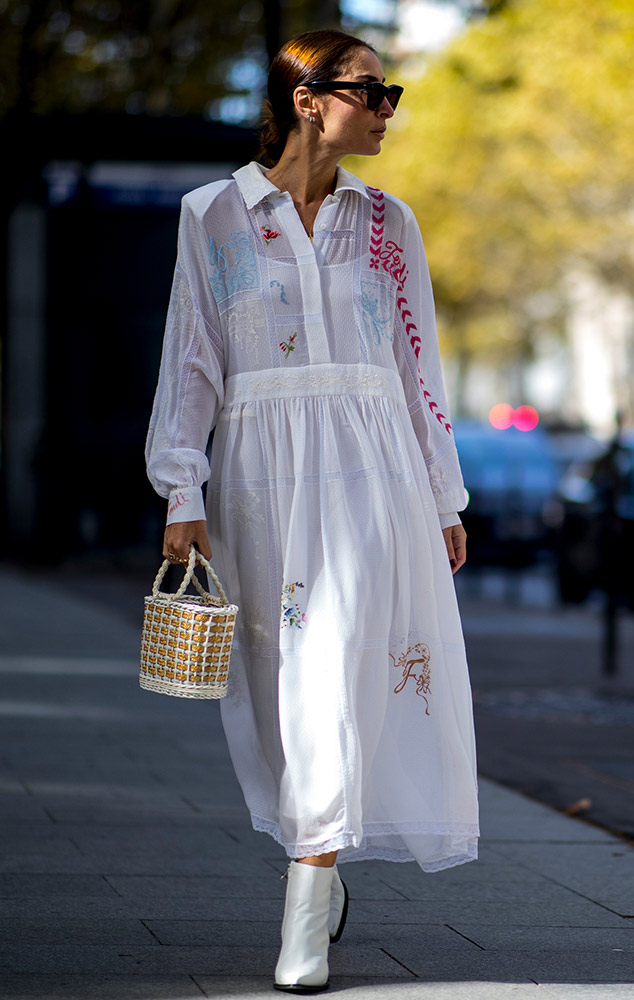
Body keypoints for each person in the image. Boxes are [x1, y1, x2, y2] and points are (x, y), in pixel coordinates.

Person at [146, 28, 478, 994]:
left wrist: (445, 491)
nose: (388, 108)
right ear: (308, 99)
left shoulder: (390, 222)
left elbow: (419, 369)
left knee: (336, 669)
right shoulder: (209, 214)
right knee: (286, 689)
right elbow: (192, 360)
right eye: (374, 91)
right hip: (261, 476)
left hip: (374, 473)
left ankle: (305, 894)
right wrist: (181, 487)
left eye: (389, 92)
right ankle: (317, 864)